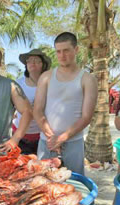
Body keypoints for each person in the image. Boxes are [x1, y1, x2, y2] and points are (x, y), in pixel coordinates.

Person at [33, 32, 97, 175]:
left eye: (66, 50)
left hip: (74, 143)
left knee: (74, 186)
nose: (62, 55)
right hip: (47, 142)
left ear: (76, 50)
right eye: (58, 51)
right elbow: (37, 110)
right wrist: (52, 138)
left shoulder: (87, 79)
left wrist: (62, 138)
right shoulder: (46, 77)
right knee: (42, 185)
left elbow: (87, 116)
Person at [13, 49, 51, 154]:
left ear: (43, 64)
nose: (32, 63)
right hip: (19, 135)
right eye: (29, 61)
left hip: (42, 135)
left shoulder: (50, 84)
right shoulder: (17, 83)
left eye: (36, 60)